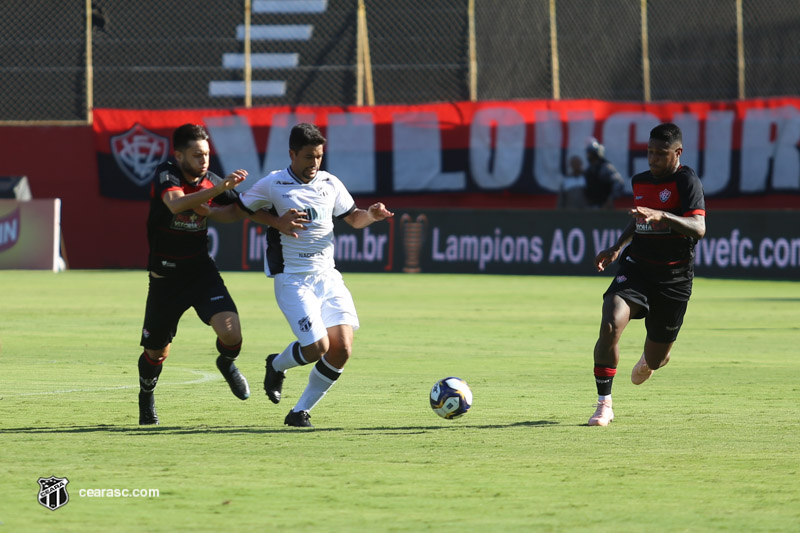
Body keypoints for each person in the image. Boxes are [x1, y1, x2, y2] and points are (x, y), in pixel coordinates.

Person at [137, 123, 306, 426]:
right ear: (178, 155)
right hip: (166, 279)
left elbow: (244, 208)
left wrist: (277, 222)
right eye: (197, 155)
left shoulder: (213, 181)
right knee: (155, 352)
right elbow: (175, 204)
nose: (204, 161)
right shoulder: (167, 174)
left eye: (206, 154)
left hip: (201, 273)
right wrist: (218, 190)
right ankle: (146, 395)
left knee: (232, 333)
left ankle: (226, 363)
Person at [237, 123, 394, 428]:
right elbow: (243, 207)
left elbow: (353, 218)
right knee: (317, 348)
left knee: (343, 349)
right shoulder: (274, 183)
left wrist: (371, 216)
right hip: (293, 279)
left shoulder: (330, 183)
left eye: (319, 156)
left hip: (328, 276)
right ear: (292, 154)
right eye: (308, 156)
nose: (314, 163)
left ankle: (299, 412)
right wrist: (276, 222)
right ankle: (276, 364)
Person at [588, 123, 706, 426]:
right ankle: (604, 404)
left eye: (660, 153)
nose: (652, 159)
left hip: (674, 279)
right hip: (637, 268)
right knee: (611, 323)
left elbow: (699, 228)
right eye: (649, 152)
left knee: (655, 358)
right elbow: (640, 218)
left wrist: (663, 214)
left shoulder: (686, 181)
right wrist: (616, 247)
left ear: (677, 153)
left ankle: (651, 360)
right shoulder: (640, 180)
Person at [584, 139, 625, 208]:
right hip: (591, 206)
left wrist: (610, 199)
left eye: (589, 153)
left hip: (603, 206)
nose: (587, 156)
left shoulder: (606, 168)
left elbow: (618, 183)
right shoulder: (589, 169)